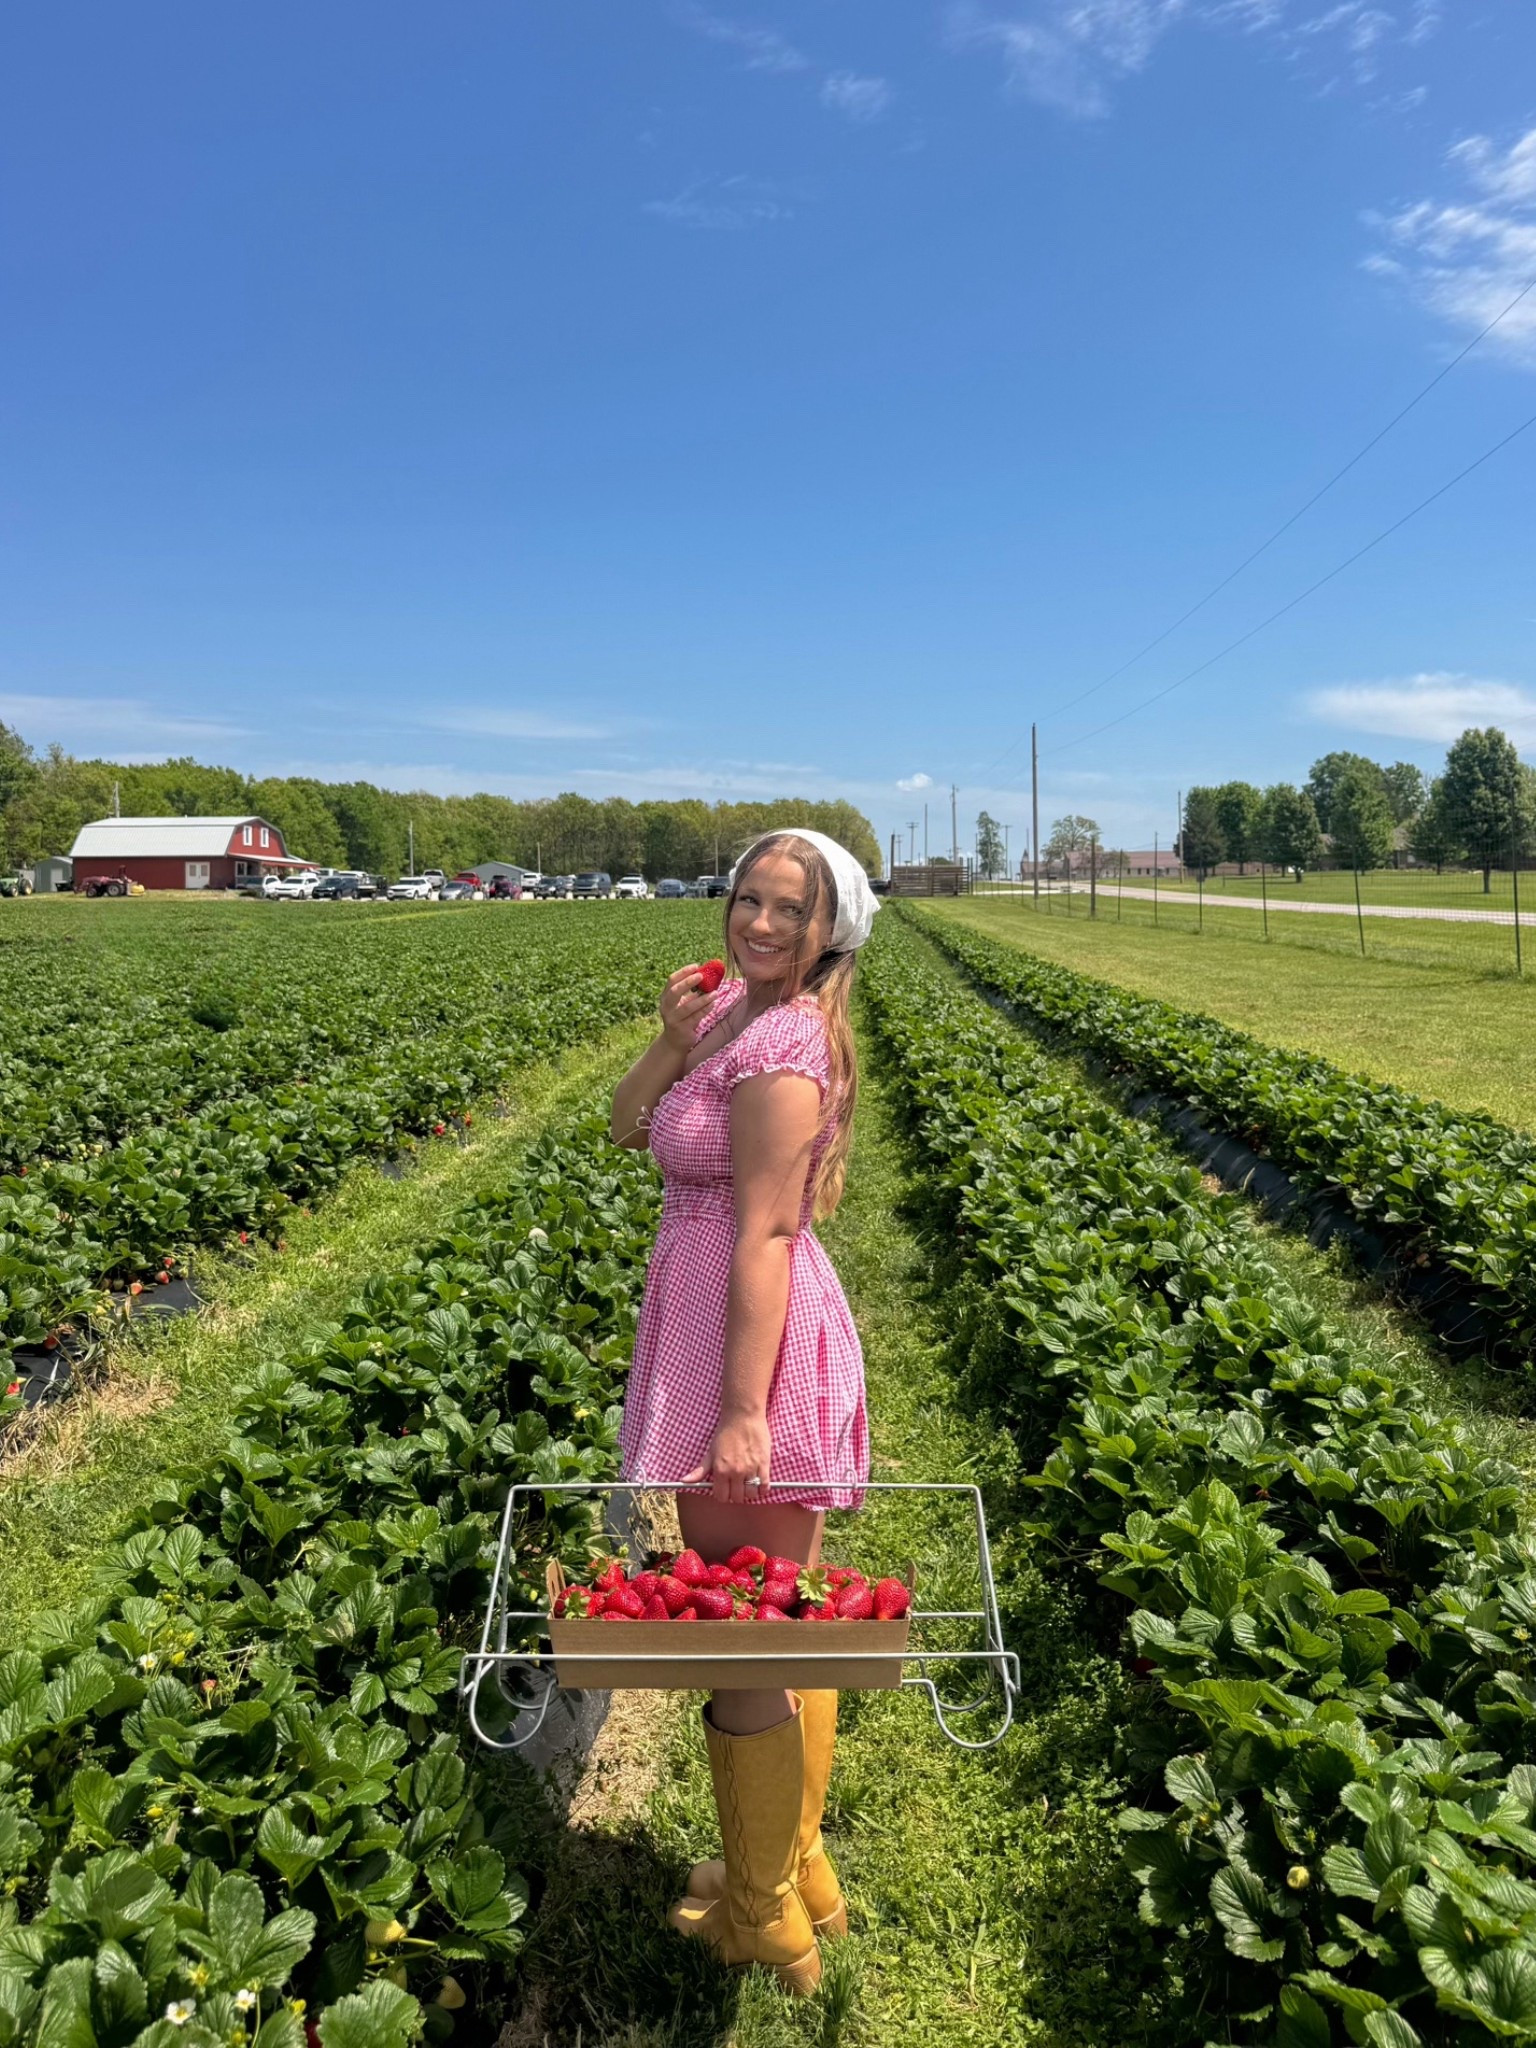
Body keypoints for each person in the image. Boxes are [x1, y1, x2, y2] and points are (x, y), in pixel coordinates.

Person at [609, 827, 879, 1994]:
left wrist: (738, 1409)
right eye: (746, 898)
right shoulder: (731, 1023)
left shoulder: (783, 1042)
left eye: (789, 908)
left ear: (831, 932)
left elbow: (767, 1228)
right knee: (785, 1620)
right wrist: (670, 1043)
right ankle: (796, 1864)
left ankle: (763, 1915)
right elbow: (628, 1125)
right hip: (713, 1311)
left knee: (740, 1637)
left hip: (743, 1333)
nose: (758, 922)